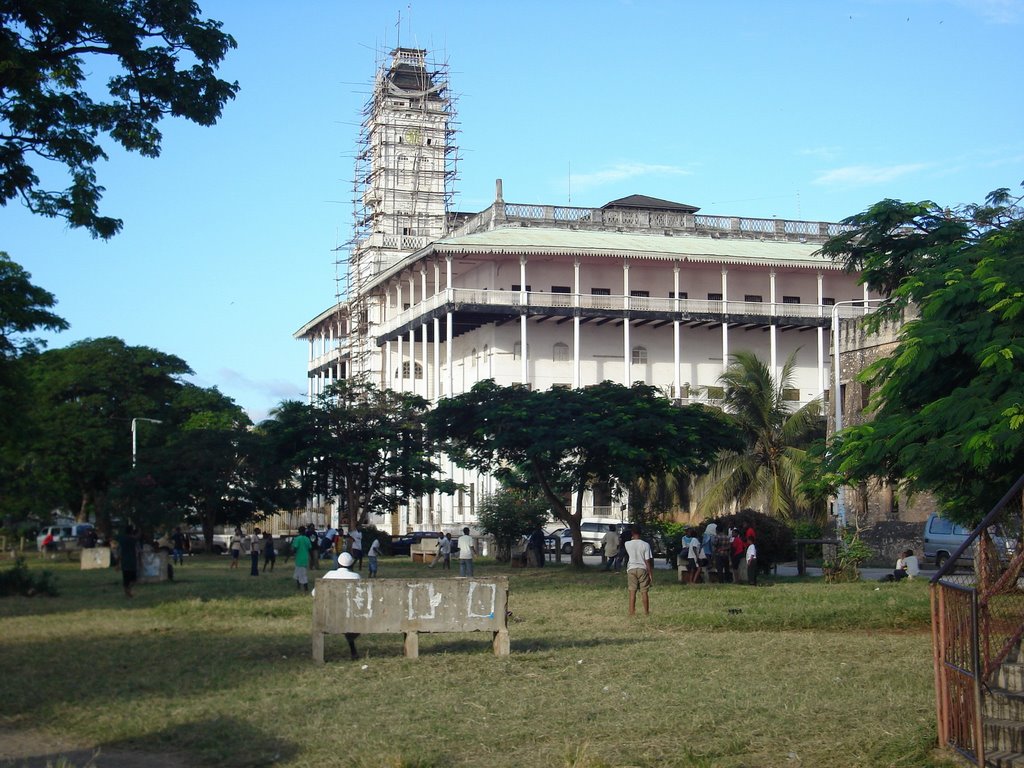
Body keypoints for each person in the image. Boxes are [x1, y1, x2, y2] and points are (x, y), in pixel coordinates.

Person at [312, 552, 361, 659]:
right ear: (352, 565)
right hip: (351, 618)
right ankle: (353, 649)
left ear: (338, 564)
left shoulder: (330, 575)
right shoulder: (356, 576)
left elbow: (314, 593)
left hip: (329, 617)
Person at [624, 527, 654, 615]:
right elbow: (647, 560)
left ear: (632, 533)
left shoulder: (627, 544)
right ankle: (646, 612)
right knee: (644, 591)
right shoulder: (645, 545)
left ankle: (631, 612)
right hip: (642, 568)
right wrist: (650, 573)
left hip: (631, 568)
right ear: (641, 533)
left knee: (632, 591)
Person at [117, 525, 141, 598]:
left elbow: (120, 551)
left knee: (126, 579)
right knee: (134, 579)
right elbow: (138, 537)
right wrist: (140, 529)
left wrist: (118, 563)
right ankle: (129, 590)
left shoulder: (122, 540)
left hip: (124, 561)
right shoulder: (133, 539)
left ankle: (127, 592)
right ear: (131, 531)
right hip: (132, 561)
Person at [292, 527, 312, 592]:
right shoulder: (307, 539)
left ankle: (305, 588)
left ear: (299, 531)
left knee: (301, 574)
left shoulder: (297, 539)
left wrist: (292, 552)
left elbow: (295, 548)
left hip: (299, 558)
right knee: (299, 573)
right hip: (305, 558)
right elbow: (310, 548)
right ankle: (299, 587)